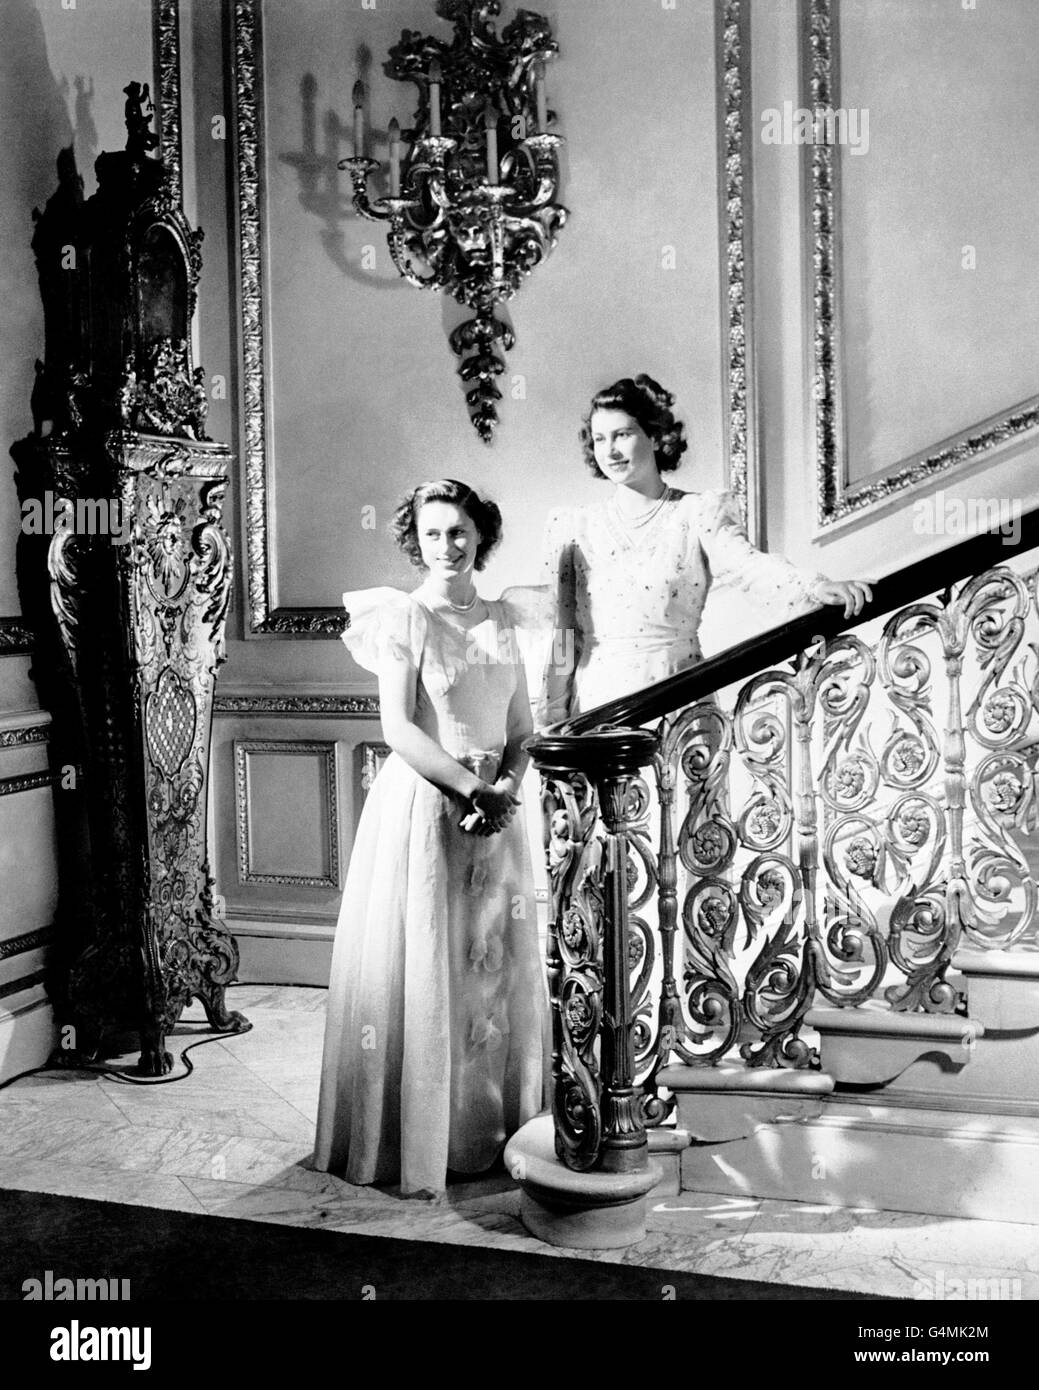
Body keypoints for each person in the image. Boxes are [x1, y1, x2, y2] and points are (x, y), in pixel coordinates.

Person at [313, 480, 548, 1198]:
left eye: (459, 532)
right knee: (427, 962)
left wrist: (505, 788)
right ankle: (421, 1138)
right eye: (433, 533)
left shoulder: (508, 618)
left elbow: (521, 728)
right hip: (425, 806)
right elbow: (398, 728)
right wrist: (465, 787)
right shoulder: (403, 618)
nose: (447, 546)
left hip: (497, 815)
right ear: (415, 539)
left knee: (493, 967)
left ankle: (499, 1128)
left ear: (482, 536)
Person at [540, 374, 873, 723]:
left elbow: (748, 567)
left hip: (680, 699)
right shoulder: (574, 528)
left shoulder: (698, 513)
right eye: (599, 439)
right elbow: (564, 633)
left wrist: (815, 586)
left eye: (623, 434)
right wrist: (550, 720)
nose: (610, 451)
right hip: (599, 704)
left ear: (654, 436)